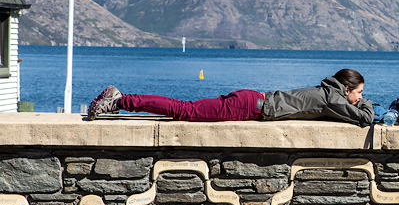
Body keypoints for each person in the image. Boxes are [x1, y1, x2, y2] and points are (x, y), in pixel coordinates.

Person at [86, 68, 374, 125]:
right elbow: (365, 119)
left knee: (185, 109)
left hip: (251, 100)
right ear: (346, 89)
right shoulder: (332, 98)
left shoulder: (327, 93)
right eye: (359, 92)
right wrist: (366, 104)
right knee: (183, 110)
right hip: (250, 106)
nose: (361, 97)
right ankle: (120, 100)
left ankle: (122, 100)